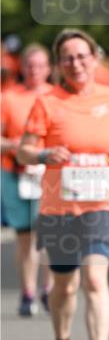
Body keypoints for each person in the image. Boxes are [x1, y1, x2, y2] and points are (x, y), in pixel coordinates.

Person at [17, 28, 109, 340]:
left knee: (95, 279)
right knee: (64, 286)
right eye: (68, 58)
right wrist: (42, 154)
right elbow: (24, 150)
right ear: (59, 65)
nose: (76, 63)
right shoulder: (47, 102)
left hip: (102, 202)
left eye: (82, 56)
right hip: (59, 206)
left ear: (94, 58)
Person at [1, 43, 54, 314]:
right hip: (15, 173)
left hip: (49, 175)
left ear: (49, 69)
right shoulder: (8, 98)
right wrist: (17, 147)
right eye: (29, 65)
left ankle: (49, 289)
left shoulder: (57, 97)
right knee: (25, 236)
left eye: (40, 65)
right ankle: (27, 292)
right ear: (22, 68)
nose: (34, 71)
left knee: (48, 235)